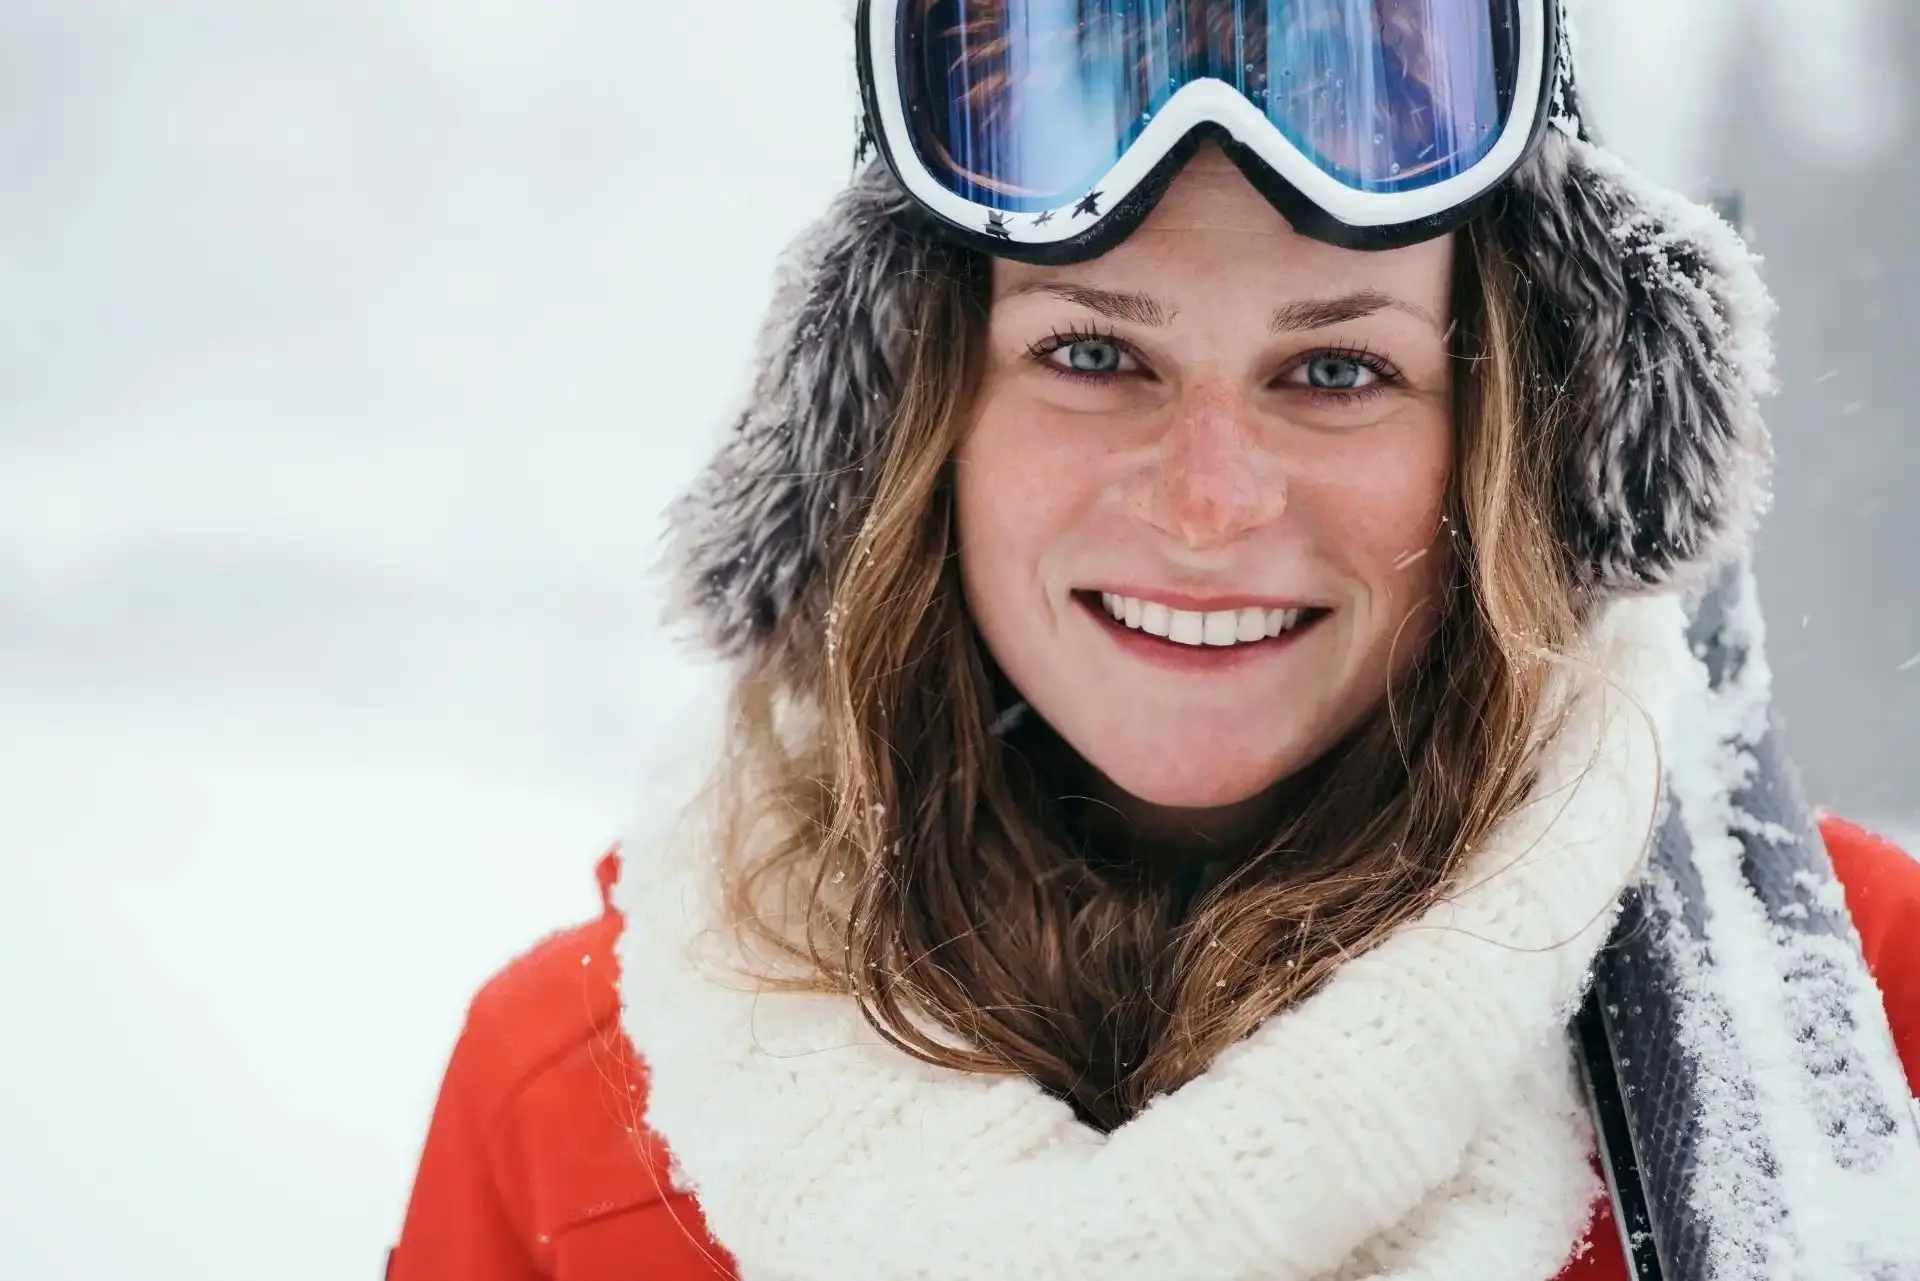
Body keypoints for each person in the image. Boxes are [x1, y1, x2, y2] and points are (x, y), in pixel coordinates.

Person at [389, 2, 1920, 1277]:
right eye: (1092, 351)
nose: (1207, 506)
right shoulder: (564, 1114)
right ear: (914, 419)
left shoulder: (1857, 1018)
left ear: (1516, 436)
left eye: (1334, 372)